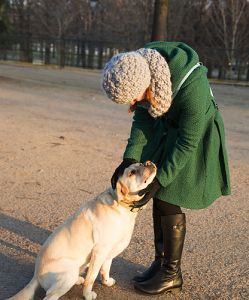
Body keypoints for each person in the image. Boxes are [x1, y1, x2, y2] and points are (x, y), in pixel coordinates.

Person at [101, 41, 231, 296]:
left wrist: (162, 179)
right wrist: (129, 158)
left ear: (145, 85)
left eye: (135, 97)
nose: (135, 102)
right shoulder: (141, 65)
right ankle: (161, 262)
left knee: (167, 192)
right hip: (167, 127)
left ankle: (172, 273)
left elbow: (188, 140)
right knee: (157, 194)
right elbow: (142, 120)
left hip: (193, 135)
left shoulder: (193, 88)